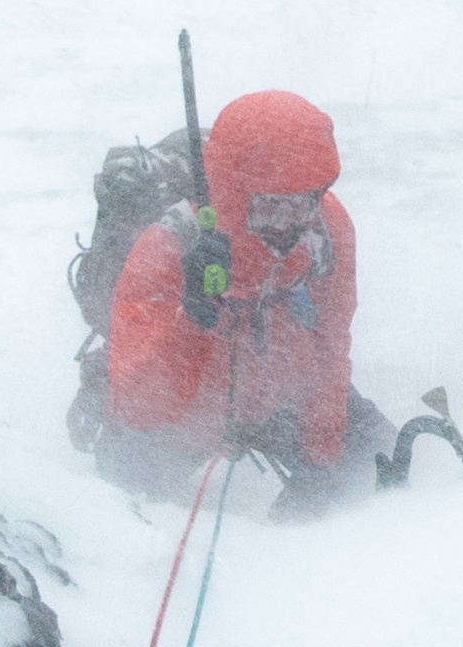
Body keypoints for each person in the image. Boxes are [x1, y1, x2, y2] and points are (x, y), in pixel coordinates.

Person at [98, 85, 368, 496]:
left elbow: (331, 349)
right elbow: (141, 409)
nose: (289, 225)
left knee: (374, 456)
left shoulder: (326, 231)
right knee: (124, 490)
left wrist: (321, 460)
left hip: (278, 396)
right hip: (186, 417)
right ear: (234, 194)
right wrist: (192, 320)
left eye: (303, 203)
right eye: (270, 207)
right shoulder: (168, 246)